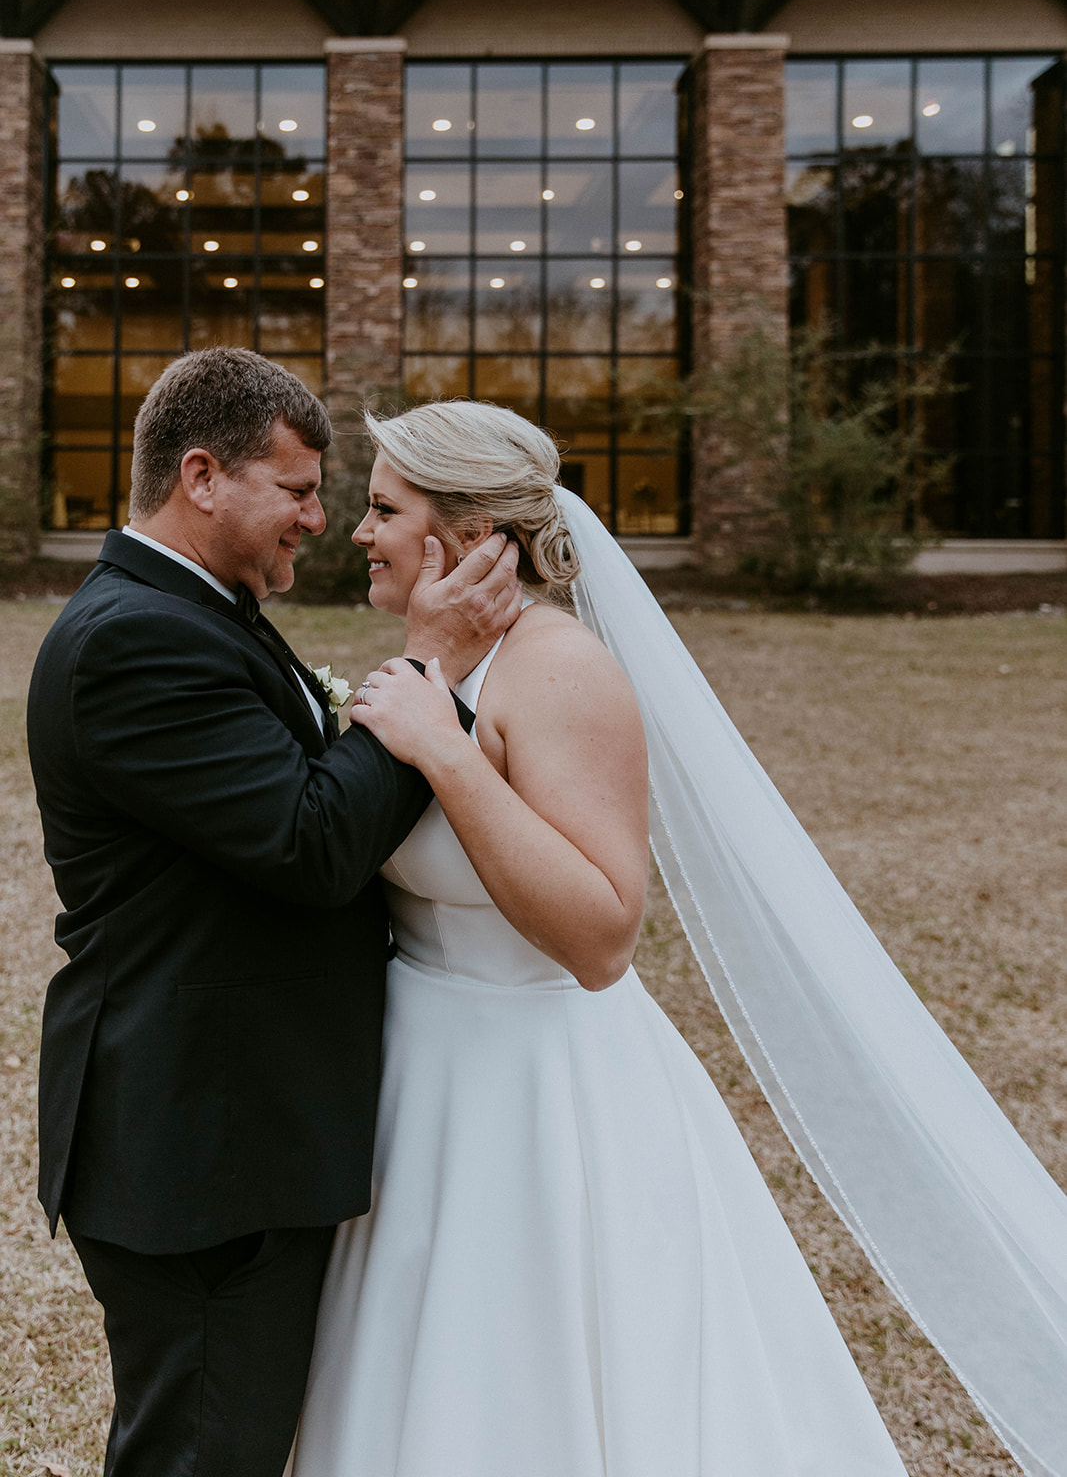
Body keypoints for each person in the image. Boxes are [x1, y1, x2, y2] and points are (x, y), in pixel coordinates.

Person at [284, 398, 914, 1476]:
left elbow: (601, 934)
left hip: (538, 1091)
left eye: (382, 509)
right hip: (414, 1079)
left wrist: (445, 754)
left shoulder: (560, 670)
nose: (357, 531)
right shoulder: (444, 660)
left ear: (467, 537)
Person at [26, 350, 521, 1477]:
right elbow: (310, 846)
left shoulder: (203, 610)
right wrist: (429, 668)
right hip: (203, 1140)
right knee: (203, 1456)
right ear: (201, 476)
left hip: (238, 1121)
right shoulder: (135, 641)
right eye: (296, 490)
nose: (320, 517)